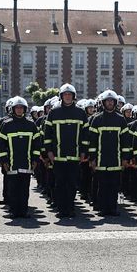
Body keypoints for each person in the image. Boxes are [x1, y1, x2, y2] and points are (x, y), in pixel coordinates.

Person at [43, 84, 88, 219]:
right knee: (60, 184)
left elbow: (85, 136)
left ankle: (71, 208)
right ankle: (62, 209)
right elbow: (47, 135)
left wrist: (83, 152)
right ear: (61, 96)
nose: (67, 96)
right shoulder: (53, 113)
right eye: (65, 94)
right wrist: (49, 152)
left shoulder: (81, 113)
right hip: (58, 156)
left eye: (70, 94)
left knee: (72, 184)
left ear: (73, 96)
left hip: (74, 156)